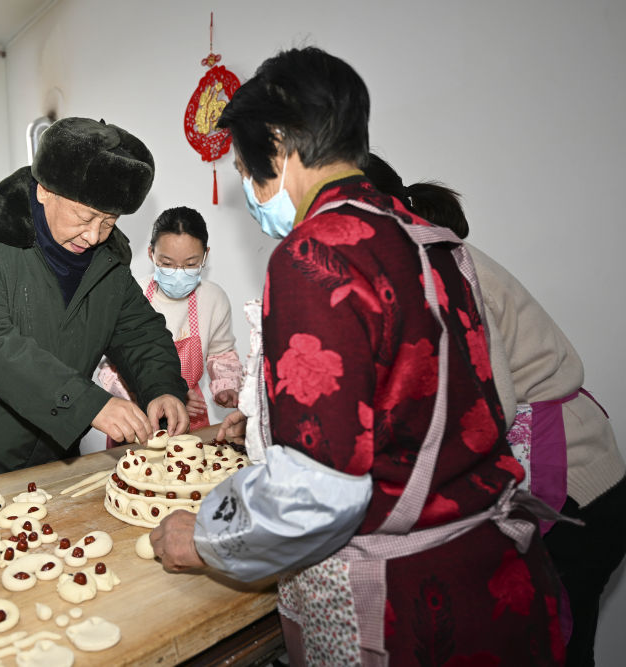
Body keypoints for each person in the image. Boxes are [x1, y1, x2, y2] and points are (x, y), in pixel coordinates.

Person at [150, 47, 566, 666]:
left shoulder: (314, 257)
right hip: (493, 569)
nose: (249, 189)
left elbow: (317, 492)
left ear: (278, 147)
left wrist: (207, 537)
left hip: (398, 601)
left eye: (244, 169)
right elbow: (485, 408)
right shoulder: (433, 241)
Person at [364, 152, 626, 667]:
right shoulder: (421, 260)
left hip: (571, 488)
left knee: (550, 649)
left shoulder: (434, 268)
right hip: (575, 479)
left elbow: (481, 406)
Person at [0, 117, 189, 491]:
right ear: (44, 191)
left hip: (48, 455)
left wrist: (162, 387)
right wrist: (88, 404)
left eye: (108, 222)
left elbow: (140, 332)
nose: (93, 235)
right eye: (85, 217)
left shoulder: (109, 262)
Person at [97, 206, 242, 433]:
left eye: (190, 264)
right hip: (138, 416)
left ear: (206, 255)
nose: (178, 272)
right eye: (166, 263)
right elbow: (109, 369)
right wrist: (157, 395)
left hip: (191, 415)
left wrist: (227, 386)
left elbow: (221, 352)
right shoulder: (131, 296)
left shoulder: (213, 299)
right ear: (151, 254)